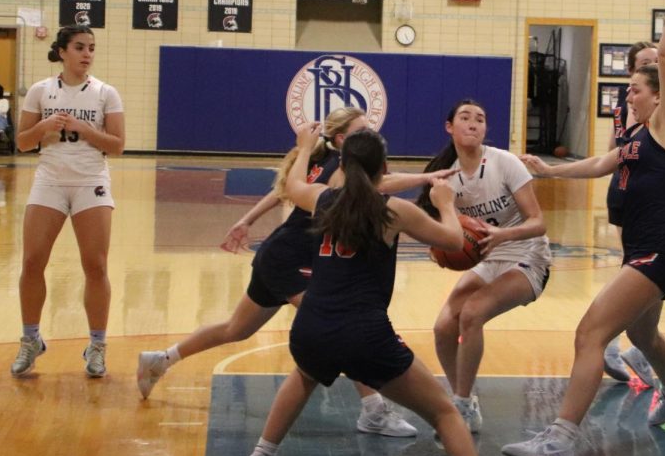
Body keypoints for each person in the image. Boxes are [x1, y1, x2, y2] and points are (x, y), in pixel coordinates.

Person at [239, 125, 517, 456]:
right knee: (444, 412)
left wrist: (303, 148)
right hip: (364, 334)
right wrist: (445, 203)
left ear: (343, 165)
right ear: (383, 169)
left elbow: (295, 184)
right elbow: (454, 242)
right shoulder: (393, 210)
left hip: (311, 325)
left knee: (304, 375)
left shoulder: (323, 200)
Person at [501, 0, 665, 456]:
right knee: (641, 334)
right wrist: (548, 170)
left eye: (635, 88)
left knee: (590, 333)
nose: (629, 92)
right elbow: (600, 164)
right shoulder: (636, 133)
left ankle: (561, 440)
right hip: (642, 247)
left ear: (657, 96)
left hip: (658, 251)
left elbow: (664, 56)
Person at [137, 108, 448, 436]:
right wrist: (425, 179)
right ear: (342, 139)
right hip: (291, 260)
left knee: (236, 329)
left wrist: (247, 219)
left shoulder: (321, 161)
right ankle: (373, 410)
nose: (369, 137)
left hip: (280, 255)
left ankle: (161, 360)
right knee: (337, 322)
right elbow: (381, 182)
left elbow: (283, 189)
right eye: (362, 131)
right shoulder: (340, 170)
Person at [420, 100, 553, 434]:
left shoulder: (505, 163)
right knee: (443, 327)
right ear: (449, 127)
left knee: (473, 312)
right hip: (489, 257)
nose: (473, 123)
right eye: (465, 117)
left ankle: (461, 406)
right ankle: (465, 397)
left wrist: (503, 234)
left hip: (527, 254)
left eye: (480, 119)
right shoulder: (444, 177)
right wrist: (441, 245)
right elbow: (437, 225)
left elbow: (539, 222)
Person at [11, 25, 125, 378]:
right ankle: (31, 339)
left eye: (91, 47)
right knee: (32, 261)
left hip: (91, 181)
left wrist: (86, 129)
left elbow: (118, 146)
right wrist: (44, 127)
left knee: (96, 265)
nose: (87, 53)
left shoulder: (106, 93)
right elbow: (22, 143)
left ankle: (97, 345)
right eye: (79, 47)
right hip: (50, 180)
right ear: (62, 51)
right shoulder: (40, 91)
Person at [600, 40, 665, 387]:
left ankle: (635, 348)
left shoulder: (660, 110)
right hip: (629, 190)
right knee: (639, 268)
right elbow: (619, 149)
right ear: (632, 72)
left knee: (644, 270)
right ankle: (614, 342)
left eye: (656, 61)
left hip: (644, 188)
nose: (652, 65)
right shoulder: (631, 107)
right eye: (645, 62)